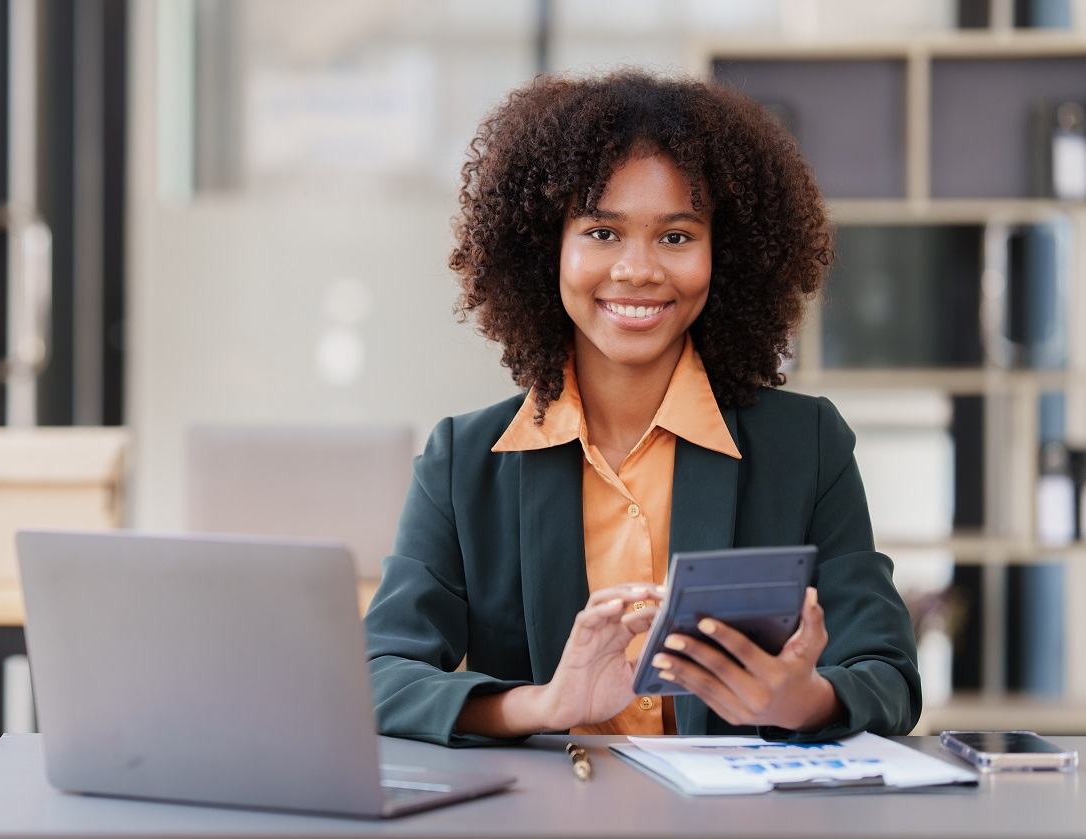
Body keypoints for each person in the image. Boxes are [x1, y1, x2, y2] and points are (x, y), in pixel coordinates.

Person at [363, 70, 921, 746]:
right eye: (602, 232)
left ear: (727, 254)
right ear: (547, 249)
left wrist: (800, 698)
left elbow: (887, 674)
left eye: (677, 237)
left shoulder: (807, 447)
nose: (638, 269)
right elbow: (380, 675)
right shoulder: (463, 463)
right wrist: (543, 703)